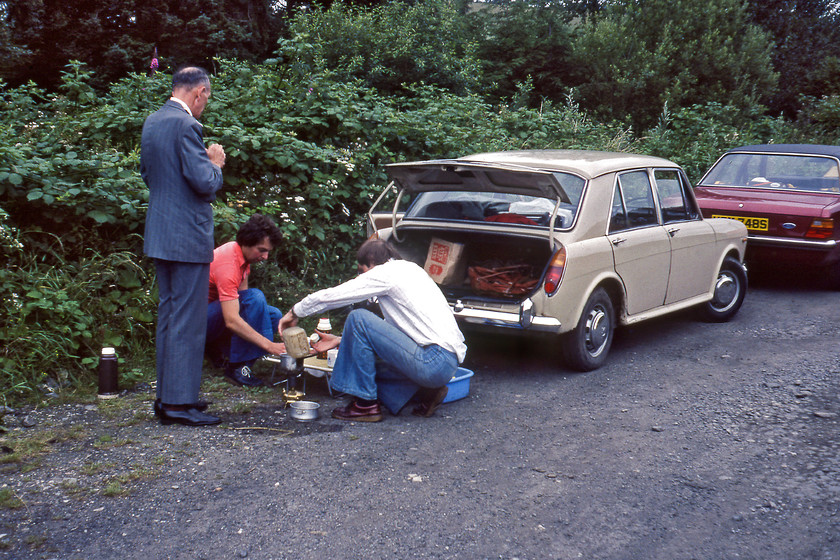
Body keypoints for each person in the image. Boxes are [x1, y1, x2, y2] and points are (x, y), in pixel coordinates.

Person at [279, 239, 467, 422]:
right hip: (446, 364)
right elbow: (395, 335)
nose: (361, 278)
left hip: (433, 361)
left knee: (358, 317)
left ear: (372, 262)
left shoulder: (386, 273)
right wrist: (339, 339)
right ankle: (426, 391)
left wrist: (295, 311)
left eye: (362, 271)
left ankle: (365, 406)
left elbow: (334, 296)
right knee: (367, 367)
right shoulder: (411, 270)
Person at [141, 66, 226, 427]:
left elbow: (148, 173)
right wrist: (215, 164)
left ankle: (167, 398)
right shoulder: (187, 125)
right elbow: (204, 183)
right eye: (207, 97)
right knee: (188, 321)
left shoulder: (153, 121)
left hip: (160, 233)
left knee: (169, 317)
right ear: (199, 93)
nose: (206, 103)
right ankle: (179, 403)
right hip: (187, 237)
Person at [205, 214, 286, 386]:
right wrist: (269, 345)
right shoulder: (228, 265)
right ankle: (237, 367)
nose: (265, 257)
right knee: (255, 298)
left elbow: (245, 307)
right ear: (246, 242)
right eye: (261, 250)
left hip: (214, 315)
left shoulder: (242, 256)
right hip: (197, 324)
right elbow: (232, 321)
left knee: (273, 314)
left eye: (268, 251)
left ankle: (231, 355)